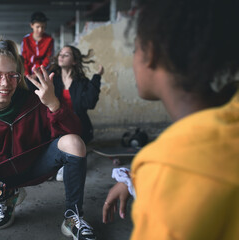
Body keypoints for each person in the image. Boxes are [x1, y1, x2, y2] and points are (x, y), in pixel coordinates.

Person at [102, 0, 239, 239]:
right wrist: (135, 181)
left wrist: (155, 177)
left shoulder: (169, 166)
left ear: (151, 53)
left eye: (135, 49)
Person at [0, 39, 96, 240]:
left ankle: (72, 217)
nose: (5, 83)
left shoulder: (33, 101)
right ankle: (8, 198)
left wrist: (54, 104)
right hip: (0, 176)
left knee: (73, 143)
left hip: (35, 165)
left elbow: (77, 133)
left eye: (12, 76)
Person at [50, 45, 104, 181]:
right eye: (60, 54)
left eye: (66, 55)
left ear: (74, 61)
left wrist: (97, 78)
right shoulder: (52, 79)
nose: (61, 56)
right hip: (56, 123)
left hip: (77, 124)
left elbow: (89, 103)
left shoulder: (81, 82)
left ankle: (66, 164)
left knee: (73, 143)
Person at [21, 11, 54, 79]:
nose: (40, 30)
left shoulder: (49, 40)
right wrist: (27, 74)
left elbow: (48, 58)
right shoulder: (25, 40)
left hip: (43, 74)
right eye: (37, 27)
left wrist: (37, 74)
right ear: (31, 25)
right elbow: (24, 59)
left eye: (43, 27)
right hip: (27, 75)